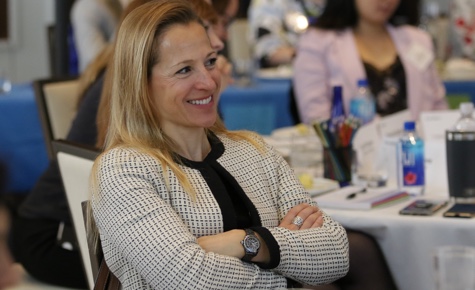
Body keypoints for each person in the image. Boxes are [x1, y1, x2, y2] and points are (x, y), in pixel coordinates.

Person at [89, 0, 349, 289]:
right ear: (141, 84)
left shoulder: (254, 151)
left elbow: (336, 253)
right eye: (184, 70)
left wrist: (245, 242)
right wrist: (284, 262)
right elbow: (189, 279)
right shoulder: (124, 170)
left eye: (210, 61)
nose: (210, 83)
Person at [9, 0, 226, 288]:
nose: (218, 41)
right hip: (58, 237)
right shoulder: (127, 103)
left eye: (208, 55)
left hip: (115, 229)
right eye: (207, 27)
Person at [293, 0, 449, 124]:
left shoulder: (418, 40)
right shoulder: (318, 41)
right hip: (350, 157)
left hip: (416, 153)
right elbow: (316, 117)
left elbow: (438, 109)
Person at [247, 0, 325, 68]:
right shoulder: (269, 2)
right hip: (283, 79)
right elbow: (265, 52)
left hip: (328, 73)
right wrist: (309, 56)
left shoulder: (330, 5)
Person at [71, 0, 128, 72]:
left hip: (117, 71)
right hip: (98, 76)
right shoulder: (85, 8)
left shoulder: (116, 3)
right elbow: (95, 60)